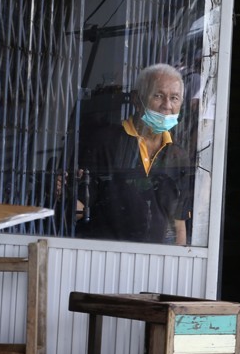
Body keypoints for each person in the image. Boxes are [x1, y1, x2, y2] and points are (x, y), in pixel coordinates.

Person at [78, 64, 192, 245]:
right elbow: (80, 207)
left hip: (157, 261)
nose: (167, 105)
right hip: (106, 256)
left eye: (174, 98)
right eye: (158, 95)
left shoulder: (178, 155)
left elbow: (179, 222)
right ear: (137, 100)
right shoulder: (105, 142)